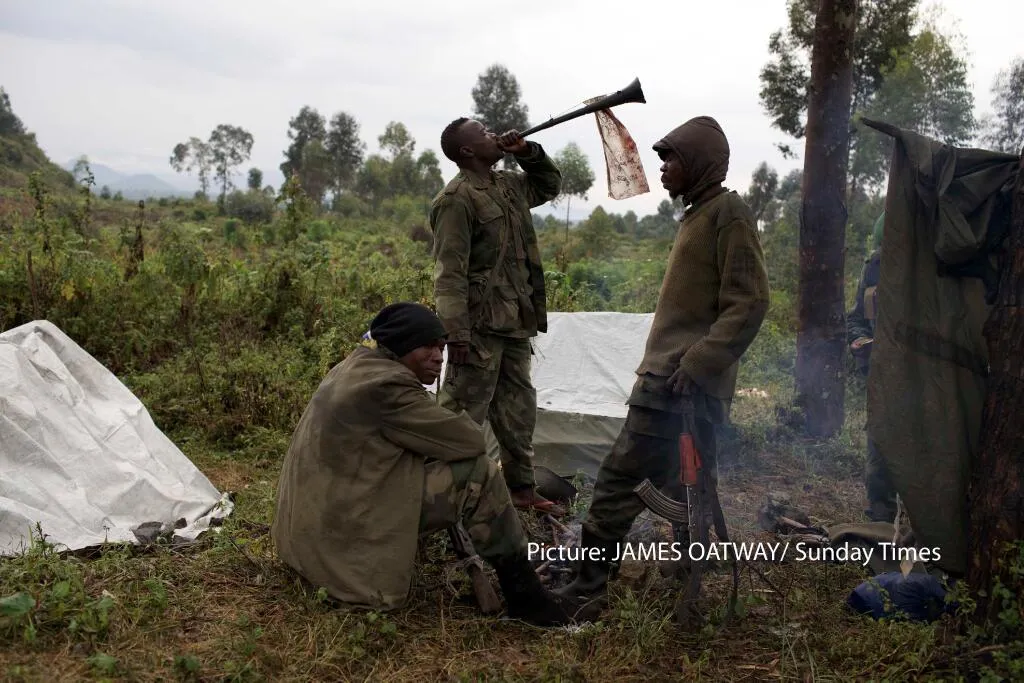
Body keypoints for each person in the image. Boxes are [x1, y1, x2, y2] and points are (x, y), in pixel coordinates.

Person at [554, 116, 771, 609]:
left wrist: (697, 363)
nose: (664, 169)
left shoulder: (728, 212)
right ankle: (681, 583)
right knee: (680, 489)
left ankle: (588, 590)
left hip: (679, 384)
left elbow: (750, 301)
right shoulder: (700, 212)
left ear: (698, 162)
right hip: (671, 381)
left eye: (671, 158)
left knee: (616, 484)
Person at [271, 302, 578, 626]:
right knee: (480, 473)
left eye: (442, 347)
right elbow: (471, 443)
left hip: (309, 535)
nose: (438, 357)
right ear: (402, 345)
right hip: (342, 544)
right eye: (428, 346)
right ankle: (527, 599)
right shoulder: (387, 387)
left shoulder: (353, 368)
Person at [429, 118, 563, 515]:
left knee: (518, 412)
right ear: (467, 151)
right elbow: (449, 274)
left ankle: (521, 490)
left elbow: (549, 185)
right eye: (483, 132)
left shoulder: (508, 185)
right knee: (460, 417)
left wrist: (527, 152)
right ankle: (444, 499)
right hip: (478, 329)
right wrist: (457, 334)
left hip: (515, 323)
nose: (493, 134)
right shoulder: (455, 199)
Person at [847, 212, 898, 523]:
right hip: (882, 377)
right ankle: (880, 518)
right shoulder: (873, 269)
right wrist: (859, 340)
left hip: (924, 383)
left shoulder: (932, 275)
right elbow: (854, 319)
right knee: (878, 452)